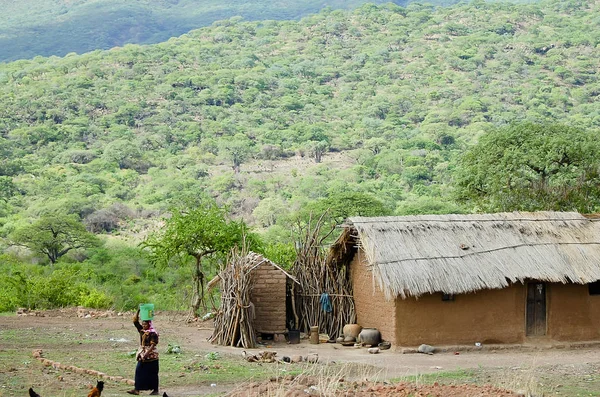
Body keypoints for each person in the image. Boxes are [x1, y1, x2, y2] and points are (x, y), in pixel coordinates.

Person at [127, 308, 160, 395]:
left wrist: (146, 354)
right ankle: (137, 389)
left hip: (151, 355)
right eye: (143, 324)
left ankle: (155, 390)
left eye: (145, 324)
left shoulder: (153, 333)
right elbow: (135, 321)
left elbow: (153, 345)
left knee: (153, 373)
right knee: (139, 371)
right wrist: (139, 311)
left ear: (149, 324)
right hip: (143, 354)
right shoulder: (142, 331)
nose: (143, 326)